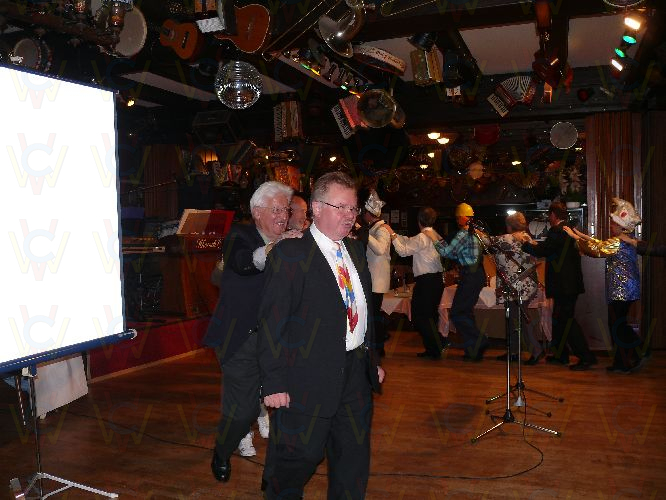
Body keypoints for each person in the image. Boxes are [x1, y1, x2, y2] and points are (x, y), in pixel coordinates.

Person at [257, 171, 385, 500]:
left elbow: (364, 310)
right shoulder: (291, 254)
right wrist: (273, 382)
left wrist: (372, 360)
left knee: (352, 461)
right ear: (316, 208)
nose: (349, 215)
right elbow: (272, 323)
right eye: (341, 207)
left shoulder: (355, 250)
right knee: (297, 460)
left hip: (355, 375)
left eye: (353, 208)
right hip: (306, 376)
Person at [203, 181, 303, 483]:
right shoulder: (239, 236)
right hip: (242, 338)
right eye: (276, 210)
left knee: (288, 404)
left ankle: (277, 470)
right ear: (257, 212)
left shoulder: (292, 241)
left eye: (285, 211)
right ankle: (222, 451)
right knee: (244, 411)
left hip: (281, 339)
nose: (283, 216)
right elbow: (245, 263)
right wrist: (278, 245)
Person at [563, 198, 643, 373]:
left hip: (621, 292)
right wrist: (581, 235)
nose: (611, 226)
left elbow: (597, 250)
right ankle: (629, 358)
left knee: (617, 327)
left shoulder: (618, 242)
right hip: (626, 291)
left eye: (614, 224)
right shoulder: (626, 239)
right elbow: (600, 244)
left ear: (621, 227)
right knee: (619, 326)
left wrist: (575, 237)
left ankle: (632, 356)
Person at [517, 201, 597, 371]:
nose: (549, 218)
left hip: (563, 285)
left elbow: (543, 251)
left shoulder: (557, 231)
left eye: (549, 215)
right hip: (570, 284)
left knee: (566, 321)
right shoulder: (569, 229)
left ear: (553, 215)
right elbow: (550, 248)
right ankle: (561, 355)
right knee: (559, 320)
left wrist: (524, 244)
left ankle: (586, 357)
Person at [478, 212, 545, 365]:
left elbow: (486, 241)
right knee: (515, 318)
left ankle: (536, 351)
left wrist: (475, 230)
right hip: (528, 284)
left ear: (509, 225)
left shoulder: (507, 239)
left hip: (516, 286)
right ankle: (513, 351)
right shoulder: (527, 238)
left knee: (519, 319)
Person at [426, 203, 489, 361]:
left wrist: (433, 238)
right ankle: (473, 350)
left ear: (462, 218)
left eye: (457, 218)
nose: (456, 221)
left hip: (470, 275)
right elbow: (457, 253)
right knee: (465, 311)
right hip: (478, 274)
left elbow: (446, 252)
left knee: (457, 312)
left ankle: (480, 341)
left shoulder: (463, 234)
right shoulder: (477, 233)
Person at [385, 207, 444, 360]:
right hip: (436, 280)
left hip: (427, 282)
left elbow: (403, 251)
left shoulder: (422, 237)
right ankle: (434, 349)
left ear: (419, 221)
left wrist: (392, 234)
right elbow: (409, 241)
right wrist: (395, 234)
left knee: (419, 316)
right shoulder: (434, 234)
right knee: (430, 316)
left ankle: (438, 345)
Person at [359, 189, 391, 356]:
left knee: (374, 315)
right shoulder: (374, 228)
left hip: (377, 280)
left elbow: (380, 249)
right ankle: (375, 346)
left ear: (368, 214)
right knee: (372, 314)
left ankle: (378, 347)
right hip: (373, 279)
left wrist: (365, 233)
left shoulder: (382, 229)